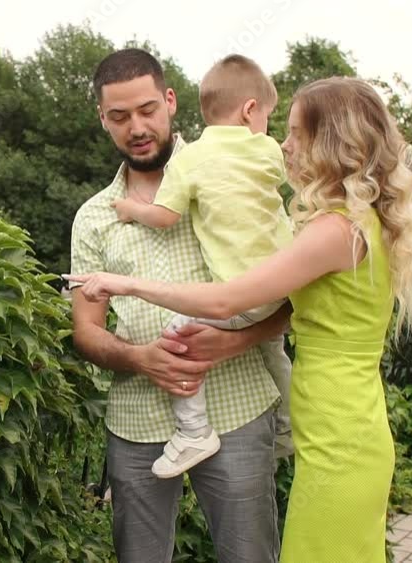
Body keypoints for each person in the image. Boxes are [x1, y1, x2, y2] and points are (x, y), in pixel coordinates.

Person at [67, 76, 412, 563]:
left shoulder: (334, 230)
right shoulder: (351, 221)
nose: (284, 144)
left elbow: (228, 301)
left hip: (339, 434)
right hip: (343, 424)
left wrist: (125, 284)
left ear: (330, 141)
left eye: (296, 132)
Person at [68, 48, 289, 563]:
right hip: (136, 418)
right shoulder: (93, 217)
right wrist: (140, 358)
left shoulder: (236, 176)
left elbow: (291, 297)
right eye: (120, 116)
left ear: (170, 101)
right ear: (103, 119)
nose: (137, 127)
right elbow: (86, 330)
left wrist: (236, 340)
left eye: (147, 109)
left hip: (237, 407)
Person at [109, 54, 295, 479]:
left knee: (178, 330)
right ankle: (289, 427)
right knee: (275, 351)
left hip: (240, 298)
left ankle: (193, 431)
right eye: (266, 116)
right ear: (250, 109)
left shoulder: (189, 162)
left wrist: (130, 209)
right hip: (282, 286)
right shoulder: (268, 150)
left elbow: (164, 217)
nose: (266, 125)